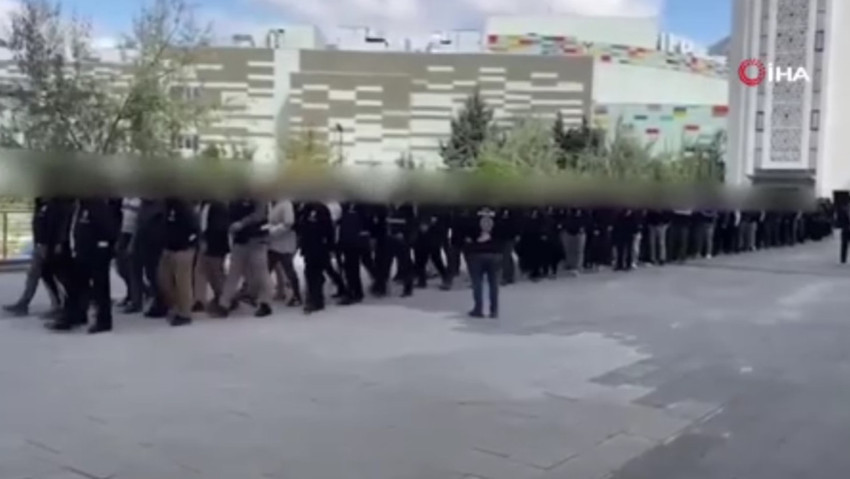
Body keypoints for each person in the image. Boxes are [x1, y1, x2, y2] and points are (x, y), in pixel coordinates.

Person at [48, 197, 117, 334]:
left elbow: (109, 230)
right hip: (80, 253)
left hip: (96, 253)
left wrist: (102, 248)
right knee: (76, 286)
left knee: (100, 288)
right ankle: (75, 315)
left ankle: (103, 321)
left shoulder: (96, 205)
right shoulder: (77, 206)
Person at [209, 198, 273, 318]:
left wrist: (242, 223)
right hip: (240, 240)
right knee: (233, 272)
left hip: (257, 239)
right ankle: (224, 304)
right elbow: (230, 214)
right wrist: (230, 225)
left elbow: (260, 214)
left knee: (261, 273)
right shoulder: (235, 199)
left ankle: (265, 302)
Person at [3, 197, 63, 318]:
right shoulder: (40, 205)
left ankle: (56, 304)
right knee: (34, 275)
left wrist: (50, 244)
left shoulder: (54, 206)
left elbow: (54, 227)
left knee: (47, 276)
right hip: (39, 245)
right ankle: (25, 303)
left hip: (46, 246)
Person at [158, 196, 198, 327]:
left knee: (182, 282)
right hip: (168, 247)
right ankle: (176, 306)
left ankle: (185, 313)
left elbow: (194, 227)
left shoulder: (184, 206)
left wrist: (188, 244)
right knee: (164, 279)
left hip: (183, 248)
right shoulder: (166, 205)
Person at [465, 205, 502, 318]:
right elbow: (505, 231)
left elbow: (465, 231)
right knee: (494, 283)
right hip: (494, 251)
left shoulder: (472, 214)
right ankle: (494, 310)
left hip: (477, 252)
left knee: (477, 283)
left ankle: (478, 308)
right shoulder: (498, 214)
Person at [193, 198, 230, 311]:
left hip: (215, 245)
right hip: (204, 242)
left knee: (216, 273)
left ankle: (225, 297)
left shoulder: (219, 206)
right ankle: (199, 300)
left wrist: (206, 240)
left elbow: (219, 228)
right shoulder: (204, 205)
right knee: (200, 270)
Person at [266, 198, 302, 307]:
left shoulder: (286, 204)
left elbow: (289, 223)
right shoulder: (271, 204)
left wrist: (272, 231)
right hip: (273, 243)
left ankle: (296, 295)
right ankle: (261, 295)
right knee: (266, 269)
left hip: (284, 243)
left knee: (288, 269)